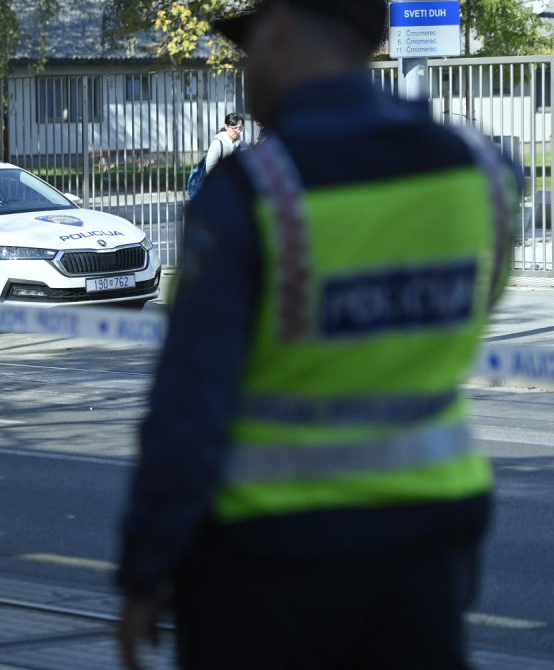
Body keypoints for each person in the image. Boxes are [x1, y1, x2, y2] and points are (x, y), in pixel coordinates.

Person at [115, 1, 522, 669]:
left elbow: (188, 410)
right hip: (431, 546)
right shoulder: (481, 174)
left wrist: (144, 568)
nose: (246, 70)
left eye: (247, 49)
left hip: (270, 562)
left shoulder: (253, 191)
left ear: (278, 29)